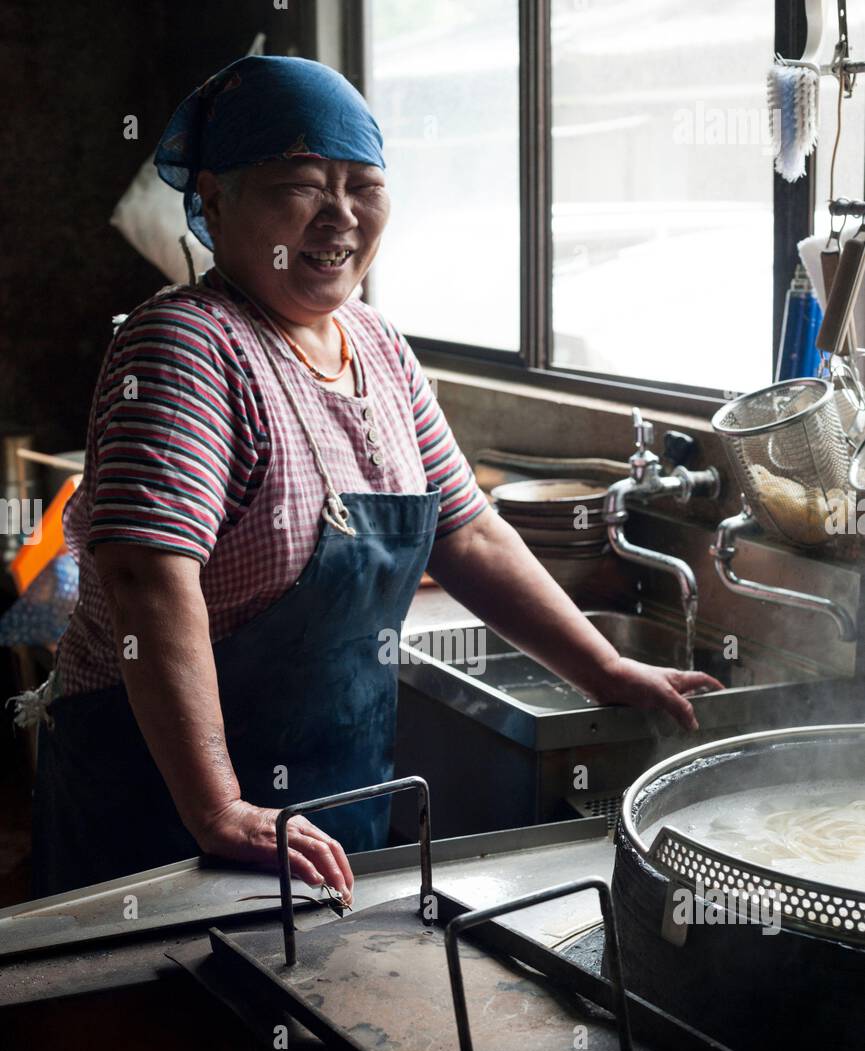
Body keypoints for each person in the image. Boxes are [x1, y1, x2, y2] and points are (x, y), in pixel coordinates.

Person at [29, 56, 720, 900]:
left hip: (324, 804)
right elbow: (149, 581)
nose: (341, 217)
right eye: (302, 184)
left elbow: (468, 533)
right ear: (214, 198)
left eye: (365, 185)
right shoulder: (187, 344)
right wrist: (217, 806)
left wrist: (605, 671)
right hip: (165, 808)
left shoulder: (379, 347)